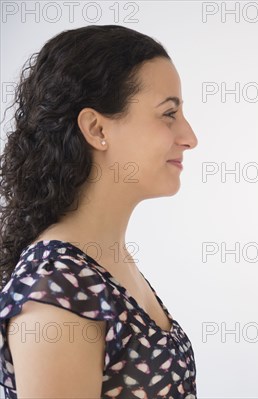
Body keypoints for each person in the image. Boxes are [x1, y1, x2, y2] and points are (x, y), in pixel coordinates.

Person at [0, 25, 198, 398]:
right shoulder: (56, 287)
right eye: (169, 113)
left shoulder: (101, 264)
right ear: (96, 128)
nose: (189, 137)